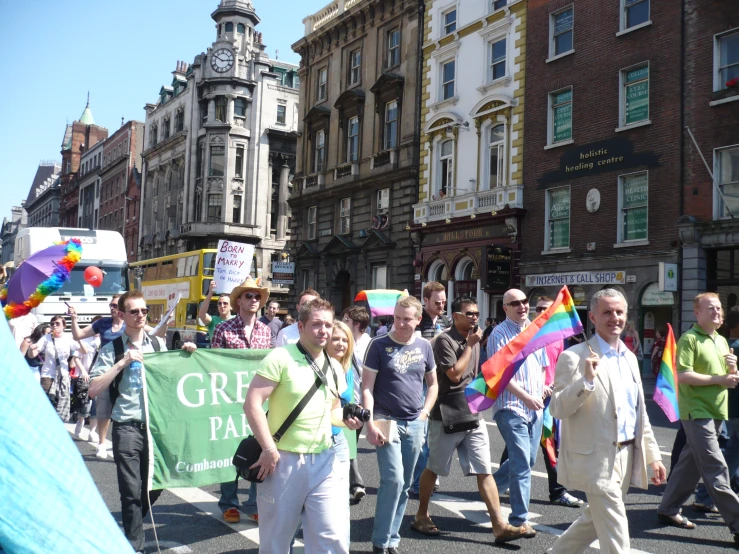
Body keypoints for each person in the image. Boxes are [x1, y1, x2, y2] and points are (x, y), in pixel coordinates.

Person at [548, 288, 665, 554]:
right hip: (595, 458)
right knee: (616, 532)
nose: (615, 317)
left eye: (619, 312)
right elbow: (556, 408)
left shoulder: (630, 357)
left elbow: (639, 414)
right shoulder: (574, 356)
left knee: (592, 521)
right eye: (607, 312)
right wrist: (585, 381)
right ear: (593, 317)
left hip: (625, 455)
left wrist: (653, 455)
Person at [244, 298, 362, 554]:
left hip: (325, 460)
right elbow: (252, 404)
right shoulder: (280, 358)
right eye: (316, 324)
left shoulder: (335, 367)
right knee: (276, 542)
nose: (324, 331)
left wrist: (347, 420)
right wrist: (268, 448)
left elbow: (332, 412)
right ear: (301, 326)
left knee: (332, 540)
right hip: (283, 461)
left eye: (328, 325)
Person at [411, 297, 526, 544]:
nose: (474, 317)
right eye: (469, 313)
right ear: (456, 316)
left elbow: (475, 375)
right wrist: (471, 346)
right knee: (434, 467)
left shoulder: (472, 339)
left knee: (484, 470)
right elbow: (454, 375)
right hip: (446, 415)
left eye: (476, 313)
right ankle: (421, 514)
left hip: (473, 414)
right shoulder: (445, 340)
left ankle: (499, 525)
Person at [88, 290, 192, 554]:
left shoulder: (157, 345)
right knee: (130, 490)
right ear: (122, 315)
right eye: (134, 311)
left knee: (161, 480)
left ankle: (129, 525)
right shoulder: (113, 348)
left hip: (156, 427)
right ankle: (135, 546)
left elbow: (175, 378)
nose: (141, 315)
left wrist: (186, 354)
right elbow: (93, 389)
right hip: (127, 426)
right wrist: (122, 362)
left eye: (144, 311)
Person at [657, 292, 739, 546]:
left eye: (718, 308)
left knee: (689, 464)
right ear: (698, 313)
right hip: (696, 411)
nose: (716, 312)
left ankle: (668, 508)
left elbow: (729, 379)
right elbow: (683, 375)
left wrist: (733, 369)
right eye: (710, 308)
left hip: (717, 411)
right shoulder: (690, 339)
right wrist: (720, 380)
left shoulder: (723, 342)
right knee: (716, 468)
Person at [363, 295, 438, 554]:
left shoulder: (425, 347)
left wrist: (425, 413)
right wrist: (370, 421)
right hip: (385, 419)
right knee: (392, 480)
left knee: (405, 483)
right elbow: (367, 388)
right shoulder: (378, 345)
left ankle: (392, 539)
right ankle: (380, 542)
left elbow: (433, 384)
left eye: (407, 319)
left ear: (418, 320)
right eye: (397, 318)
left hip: (415, 421)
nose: (401, 324)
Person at [212, 276, 272, 524]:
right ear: (238, 301)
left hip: (258, 400)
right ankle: (229, 502)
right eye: (249, 295)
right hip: (229, 398)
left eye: (257, 296)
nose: (254, 300)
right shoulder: (223, 329)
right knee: (230, 447)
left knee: (258, 445)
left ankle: (255, 503)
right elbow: (212, 363)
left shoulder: (266, 330)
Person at [489, 289, 547, 538]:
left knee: (526, 461)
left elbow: (542, 366)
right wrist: (526, 396)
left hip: (536, 407)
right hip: (511, 406)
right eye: (515, 303)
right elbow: (498, 374)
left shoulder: (535, 330)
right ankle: (520, 520)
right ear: (505, 308)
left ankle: (490, 488)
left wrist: (543, 387)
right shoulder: (499, 334)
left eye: (524, 302)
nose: (522, 306)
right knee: (523, 462)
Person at [411, 281, 451, 495]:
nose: (441, 305)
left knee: (436, 436)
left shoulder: (445, 320)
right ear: (425, 300)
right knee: (422, 435)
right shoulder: (418, 321)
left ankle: (427, 476)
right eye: (437, 302)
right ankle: (418, 482)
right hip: (421, 386)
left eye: (444, 301)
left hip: (441, 384)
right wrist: (443, 336)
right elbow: (419, 349)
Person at [342, 305, 372, 501]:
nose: (342, 324)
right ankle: (356, 483)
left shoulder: (371, 345)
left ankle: (355, 483)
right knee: (346, 443)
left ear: (357, 324)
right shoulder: (341, 342)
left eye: (346, 321)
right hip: (343, 401)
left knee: (348, 443)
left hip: (361, 404)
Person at [29, 315, 82, 422]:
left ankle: (58, 428)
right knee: (48, 404)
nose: (54, 326)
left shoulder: (68, 338)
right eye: (52, 324)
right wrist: (31, 349)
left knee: (60, 405)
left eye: (57, 324)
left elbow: (81, 350)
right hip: (47, 376)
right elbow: (32, 355)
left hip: (63, 376)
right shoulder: (46, 338)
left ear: (64, 326)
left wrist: (73, 360)